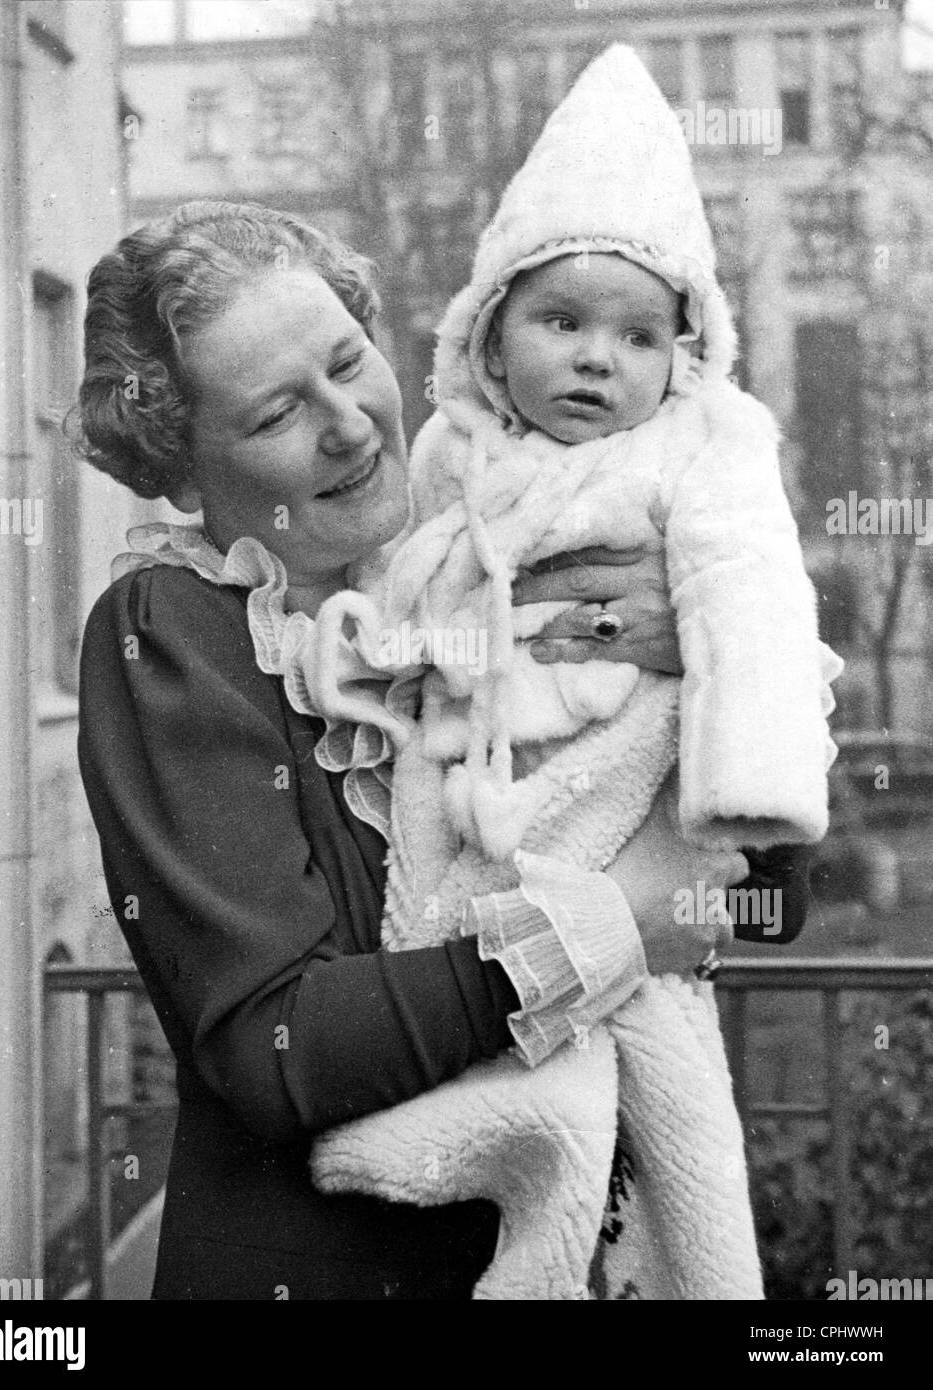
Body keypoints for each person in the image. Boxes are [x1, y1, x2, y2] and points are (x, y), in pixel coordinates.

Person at [75, 199, 775, 1301]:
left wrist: (705, 657)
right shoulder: (172, 634)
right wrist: (604, 932)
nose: (349, 423)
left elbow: (761, 874)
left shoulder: (480, 549)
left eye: (349, 362)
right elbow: (277, 1044)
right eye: (275, 416)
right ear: (183, 470)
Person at [300, 46, 842, 1299]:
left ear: (683, 350)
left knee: (670, 1097)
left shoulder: (704, 450)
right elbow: (410, 609)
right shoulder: (449, 460)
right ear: (492, 339)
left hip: (640, 824)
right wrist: (384, 664)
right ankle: (449, 1158)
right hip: (477, 823)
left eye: (637, 332)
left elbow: (752, 608)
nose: (599, 358)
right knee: (467, 969)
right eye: (562, 321)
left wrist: (738, 765)